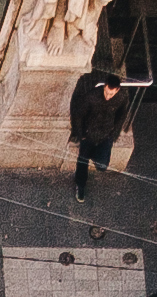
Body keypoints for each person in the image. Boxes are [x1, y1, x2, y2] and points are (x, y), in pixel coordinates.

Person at [69, 68, 127, 200]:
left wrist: (115, 132)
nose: (107, 96)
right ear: (105, 86)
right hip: (89, 134)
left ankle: (92, 154)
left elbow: (122, 114)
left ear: (117, 90)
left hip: (106, 134)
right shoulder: (92, 96)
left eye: (111, 94)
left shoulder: (121, 97)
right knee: (82, 161)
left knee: (102, 166)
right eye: (106, 92)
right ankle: (80, 186)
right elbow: (78, 115)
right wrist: (81, 134)